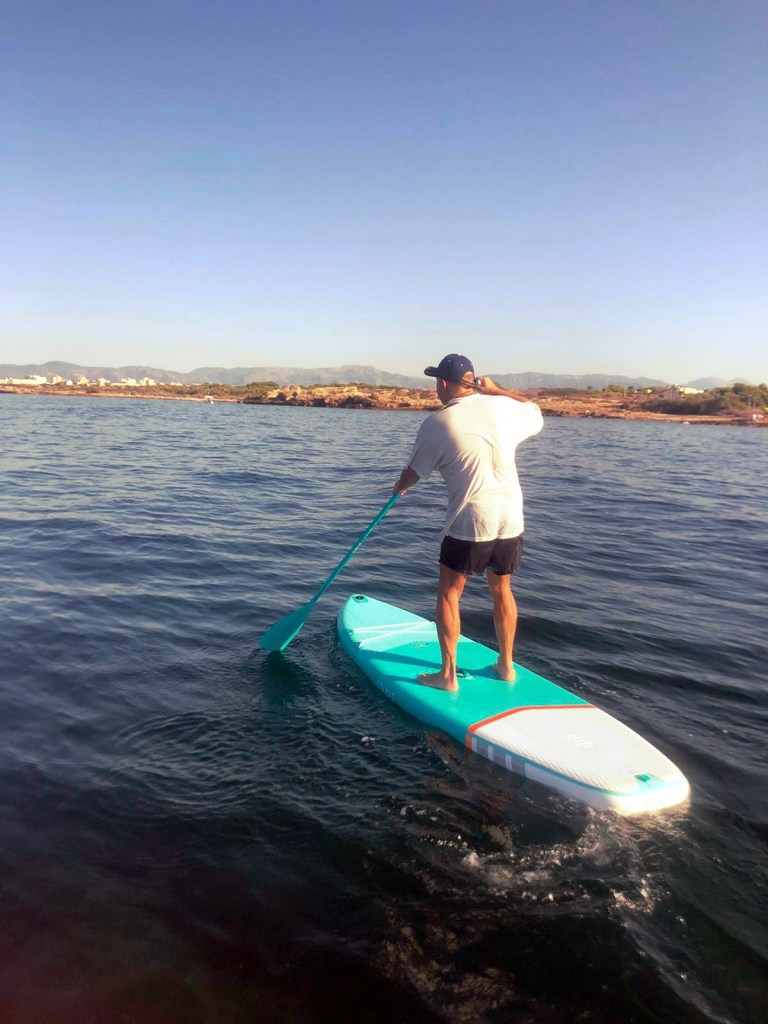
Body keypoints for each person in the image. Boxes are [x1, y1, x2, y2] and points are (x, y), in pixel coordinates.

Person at [393, 353, 543, 691]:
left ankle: (447, 677)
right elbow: (534, 410)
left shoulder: (437, 423)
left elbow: (414, 473)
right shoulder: (504, 408)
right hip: (511, 516)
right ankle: (505, 666)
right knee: (501, 589)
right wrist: (498, 390)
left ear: (443, 384)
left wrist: (399, 488)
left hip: (471, 517)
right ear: (473, 382)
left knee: (449, 592)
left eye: (436, 383)